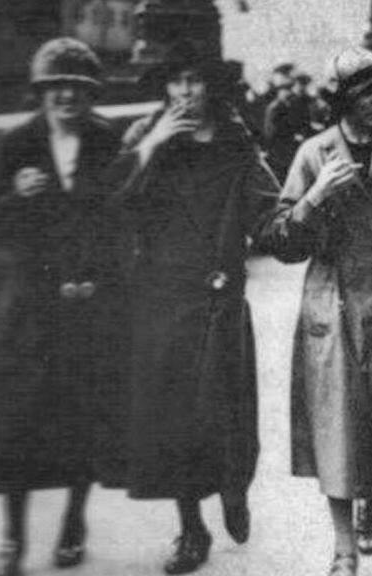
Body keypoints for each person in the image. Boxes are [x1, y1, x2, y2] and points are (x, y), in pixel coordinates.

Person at [105, 40, 278, 574]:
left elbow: (270, 210)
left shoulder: (235, 141)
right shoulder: (144, 137)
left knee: (227, 414)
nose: (184, 92)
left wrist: (306, 208)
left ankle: (232, 490)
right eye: (174, 82)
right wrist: (152, 145)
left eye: (194, 80)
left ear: (212, 86)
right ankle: (190, 529)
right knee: (176, 419)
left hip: (220, 299)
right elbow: (109, 204)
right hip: (162, 298)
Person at [255, 47, 372, 576]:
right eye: (367, 92)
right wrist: (314, 198)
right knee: (336, 429)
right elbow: (281, 241)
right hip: (332, 301)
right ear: (343, 99)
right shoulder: (313, 154)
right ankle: (344, 547)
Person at [0, 37, 125, 576]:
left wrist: (100, 281)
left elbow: (122, 219)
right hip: (30, 312)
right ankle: (13, 535)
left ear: (91, 94)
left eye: (79, 88)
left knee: (82, 419)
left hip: (89, 306)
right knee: (17, 425)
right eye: (56, 87)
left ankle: (73, 524)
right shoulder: (14, 143)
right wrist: (14, 194)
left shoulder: (106, 140)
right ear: (41, 92)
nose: (67, 96)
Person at [263, 71, 316, 180]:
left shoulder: (287, 105)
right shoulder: (275, 108)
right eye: (285, 90)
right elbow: (271, 132)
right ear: (279, 91)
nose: (287, 93)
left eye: (289, 89)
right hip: (279, 150)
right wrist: (293, 136)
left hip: (289, 147)